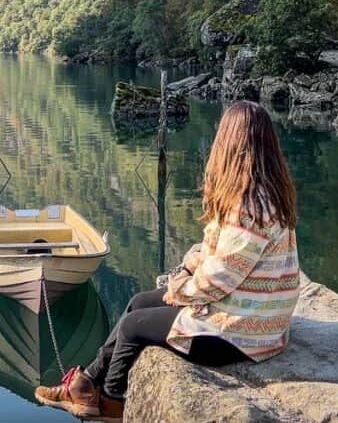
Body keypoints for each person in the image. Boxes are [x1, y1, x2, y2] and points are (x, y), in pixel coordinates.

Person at [35, 101, 300, 420]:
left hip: (244, 333)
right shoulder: (257, 195)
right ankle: (86, 383)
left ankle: (111, 401)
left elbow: (216, 281)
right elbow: (212, 251)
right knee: (138, 302)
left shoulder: (251, 210)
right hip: (244, 314)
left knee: (134, 327)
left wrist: (179, 288)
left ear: (230, 145)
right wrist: (187, 269)